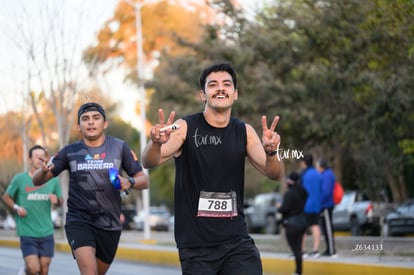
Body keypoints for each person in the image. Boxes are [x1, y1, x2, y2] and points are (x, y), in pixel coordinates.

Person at [142, 61, 284, 275]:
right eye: (213, 84)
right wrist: (156, 143)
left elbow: (275, 173)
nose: (220, 88)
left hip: (237, 243)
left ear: (235, 93)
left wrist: (273, 152)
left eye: (226, 84)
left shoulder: (244, 131)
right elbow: (148, 161)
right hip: (196, 247)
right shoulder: (183, 127)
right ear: (203, 94)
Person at [32, 102, 149, 275]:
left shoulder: (119, 147)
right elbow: (37, 181)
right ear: (79, 126)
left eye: (96, 118)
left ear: (105, 123)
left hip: (110, 224)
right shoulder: (69, 152)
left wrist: (129, 182)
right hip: (79, 220)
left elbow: (144, 180)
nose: (91, 122)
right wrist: (42, 172)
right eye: (85, 119)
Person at [2, 145, 64, 275]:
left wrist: (57, 201)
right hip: (27, 231)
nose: (39, 159)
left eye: (42, 156)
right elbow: (6, 197)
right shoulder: (20, 179)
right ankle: (25, 270)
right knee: (33, 268)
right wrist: (16, 207)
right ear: (30, 159)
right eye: (36, 156)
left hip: (46, 231)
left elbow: (60, 200)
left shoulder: (53, 180)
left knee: (44, 268)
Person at [278, 172, 308, 275]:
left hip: (292, 225)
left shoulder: (289, 193)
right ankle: (299, 271)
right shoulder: (304, 192)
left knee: (296, 249)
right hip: (303, 223)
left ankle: (298, 272)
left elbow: (284, 209)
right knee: (298, 249)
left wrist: (279, 207)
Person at [300, 153, 322, 258]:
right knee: (315, 225)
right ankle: (315, 249)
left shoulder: (304, 175)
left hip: (306, 205)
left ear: (304, 163)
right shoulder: (318, 174)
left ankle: (302, 250)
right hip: (317, 204)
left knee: (303, 228)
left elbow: (301, 190)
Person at [316, 158, 337, 257]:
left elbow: (326, 192)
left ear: (321, 166)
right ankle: (328, 248)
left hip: (326, 205)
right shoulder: (324, 174)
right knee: (325, 228)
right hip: (324, 205)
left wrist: (318, 201)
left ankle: (332, 250)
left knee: (328, 228)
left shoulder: (327, 175)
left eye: (318, 166)